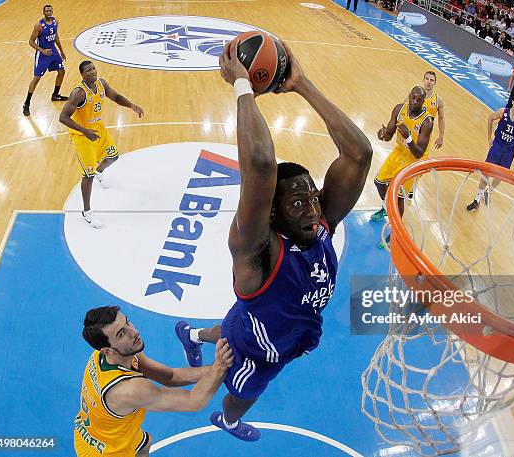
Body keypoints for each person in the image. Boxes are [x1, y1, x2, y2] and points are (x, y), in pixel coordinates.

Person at [175, 40, 372, 442]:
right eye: (297, 202)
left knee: (226, 327)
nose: (312, 208)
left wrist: (302, 84)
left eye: (313, 196)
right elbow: (262, 166)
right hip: (258, 352)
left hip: (264, 324)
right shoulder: (257, 250)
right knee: (243, 394)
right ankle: (227, 421)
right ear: (271, 214)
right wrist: (242, 87)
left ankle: (190, 334)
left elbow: (359, 154)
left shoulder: (319, 226)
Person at [74, 306, 234, 456]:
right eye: (121, 334)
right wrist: (220, 367)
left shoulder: (112, 355)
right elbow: (193, 401)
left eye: (128, 322)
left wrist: (220, 366)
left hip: (101, 432)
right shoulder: (128, 389)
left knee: (145, 442)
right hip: (108, 452)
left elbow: (171, 377)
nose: (134, 332)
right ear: (108, 350)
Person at [59, 61, 144, 229]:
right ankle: (87, 212)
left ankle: (99, 171)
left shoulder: (102, 84)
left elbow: (116, 97)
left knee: (113, 156)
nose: (92, 72)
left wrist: (132, 106)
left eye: (93, 68)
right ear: (82, 75)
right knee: (87, 176)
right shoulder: (78, 93)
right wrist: (85, 131)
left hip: (98, 129)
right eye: (88, 70)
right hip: (82, 136)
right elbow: (63, 117)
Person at [369, 86, 433, 222]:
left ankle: (394, 231)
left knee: (398, 197)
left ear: (423, 101)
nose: (415, 101)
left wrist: (408, 137)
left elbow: (419, 153)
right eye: (413, 97)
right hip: (400, 151)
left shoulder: (427, 122)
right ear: (409, 96)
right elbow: (388, 135)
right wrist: (383, 135)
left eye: (419, 99)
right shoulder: (399, 109)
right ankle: (386, 207)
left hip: (414, 161)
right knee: (379, 182)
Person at [466, 94, 514, 212]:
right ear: (512, 102)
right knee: (486, 172)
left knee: (502, 175)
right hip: (497, 146)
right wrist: (489, 138)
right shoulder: (502, 112)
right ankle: (477, 200)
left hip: (509, 151)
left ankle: (488, 191)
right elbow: (490, 118)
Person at [23, 4, 69, 116]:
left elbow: (56, 36)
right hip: (43, 55)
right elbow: (31, 41)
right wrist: (42, 50)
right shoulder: (39, 25)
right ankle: (26, 103)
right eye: (47, 11)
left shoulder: (55, 21)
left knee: (62, 72)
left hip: (53, 52)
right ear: (43, 12)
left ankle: (55, 95)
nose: (49, 12)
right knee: (36, 79)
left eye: (50, 10)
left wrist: (61, 50)